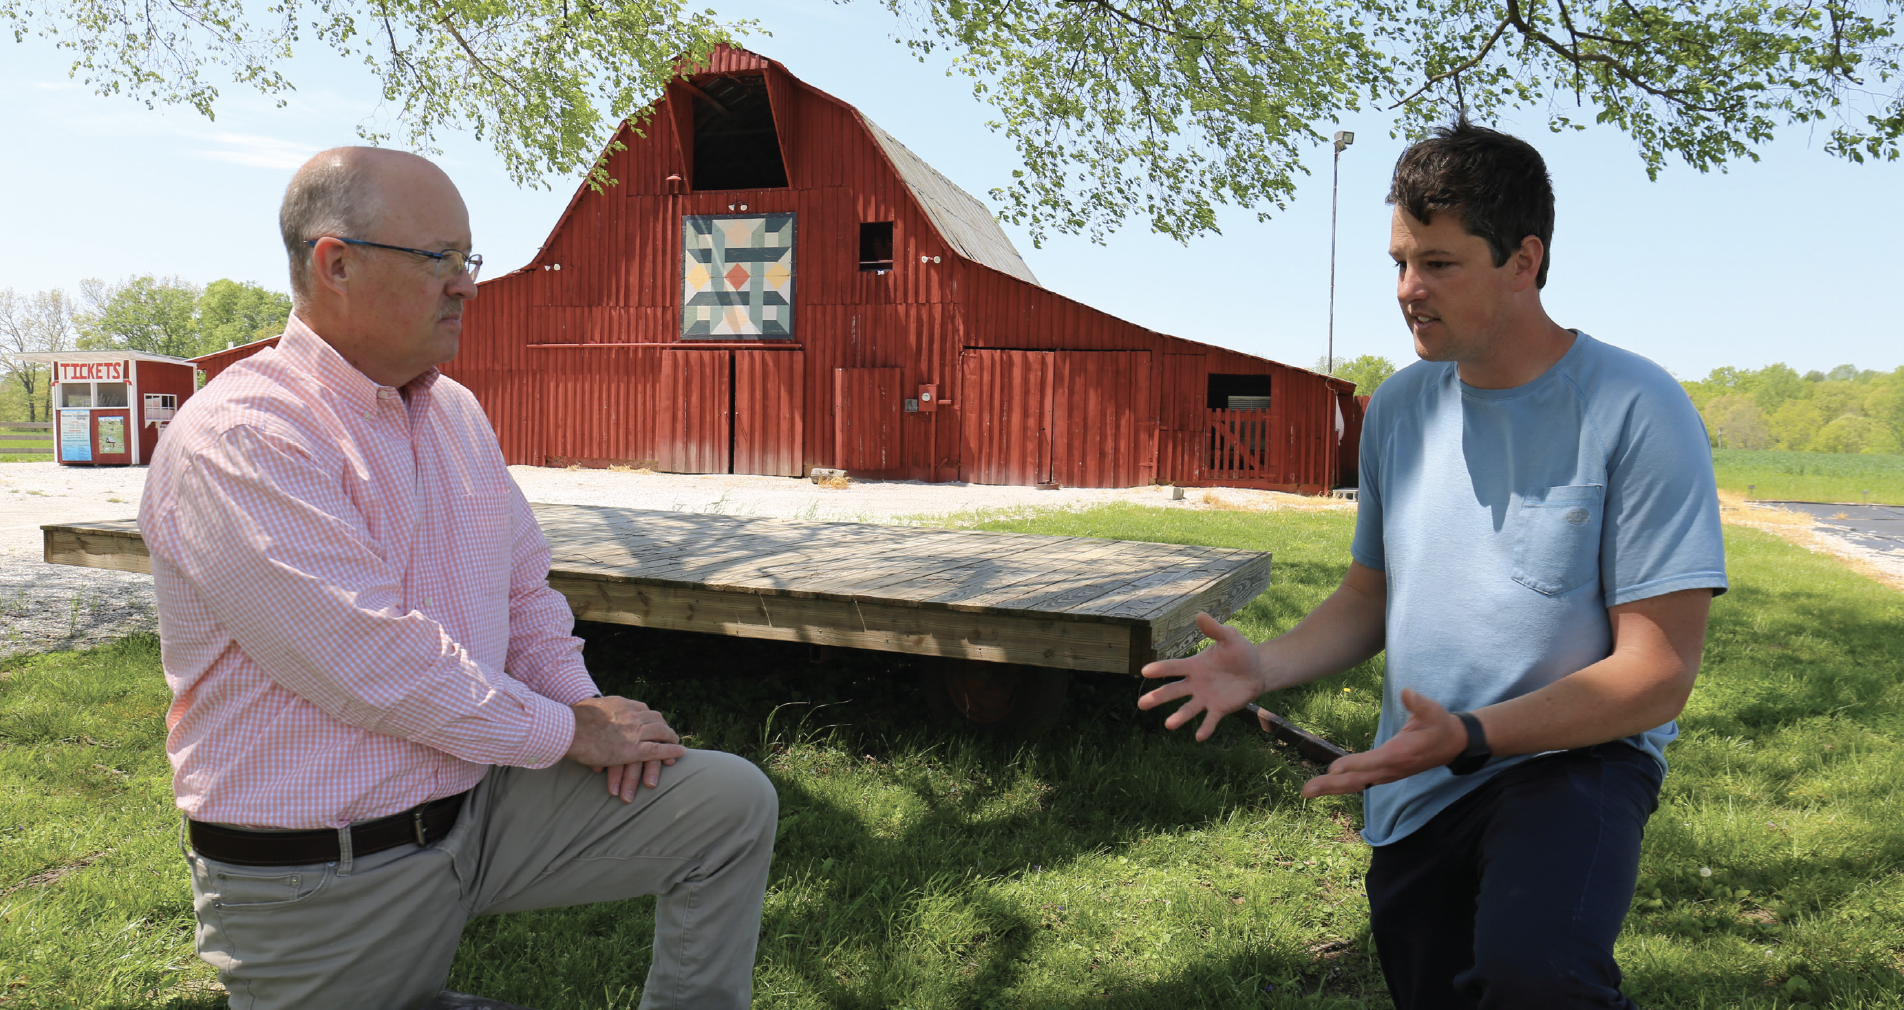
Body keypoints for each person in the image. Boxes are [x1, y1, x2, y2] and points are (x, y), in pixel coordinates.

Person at [140, 147, 778, 1010]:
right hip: (324, 872)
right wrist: (564, 734)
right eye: (440, 259)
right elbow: (375, 664)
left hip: (476, 812)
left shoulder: (455, 413)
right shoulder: (244, 436)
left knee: (728, 804)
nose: (467, 285)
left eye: (468, 260)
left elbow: (524, 595)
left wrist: (586, 710)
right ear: (337, 264)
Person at [1138, 120, 1726, 1009]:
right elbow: (1370, 596)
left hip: (1573, 762)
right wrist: (1266, 664)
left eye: (1440, 264)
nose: (1409, 290)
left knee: (1538, 979)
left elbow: (1657, 674)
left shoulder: (1635, 407)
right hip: (1417, 780)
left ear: (1524, 261)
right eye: (1400, 263)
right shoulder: (1402, 408)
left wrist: (1474, 735)